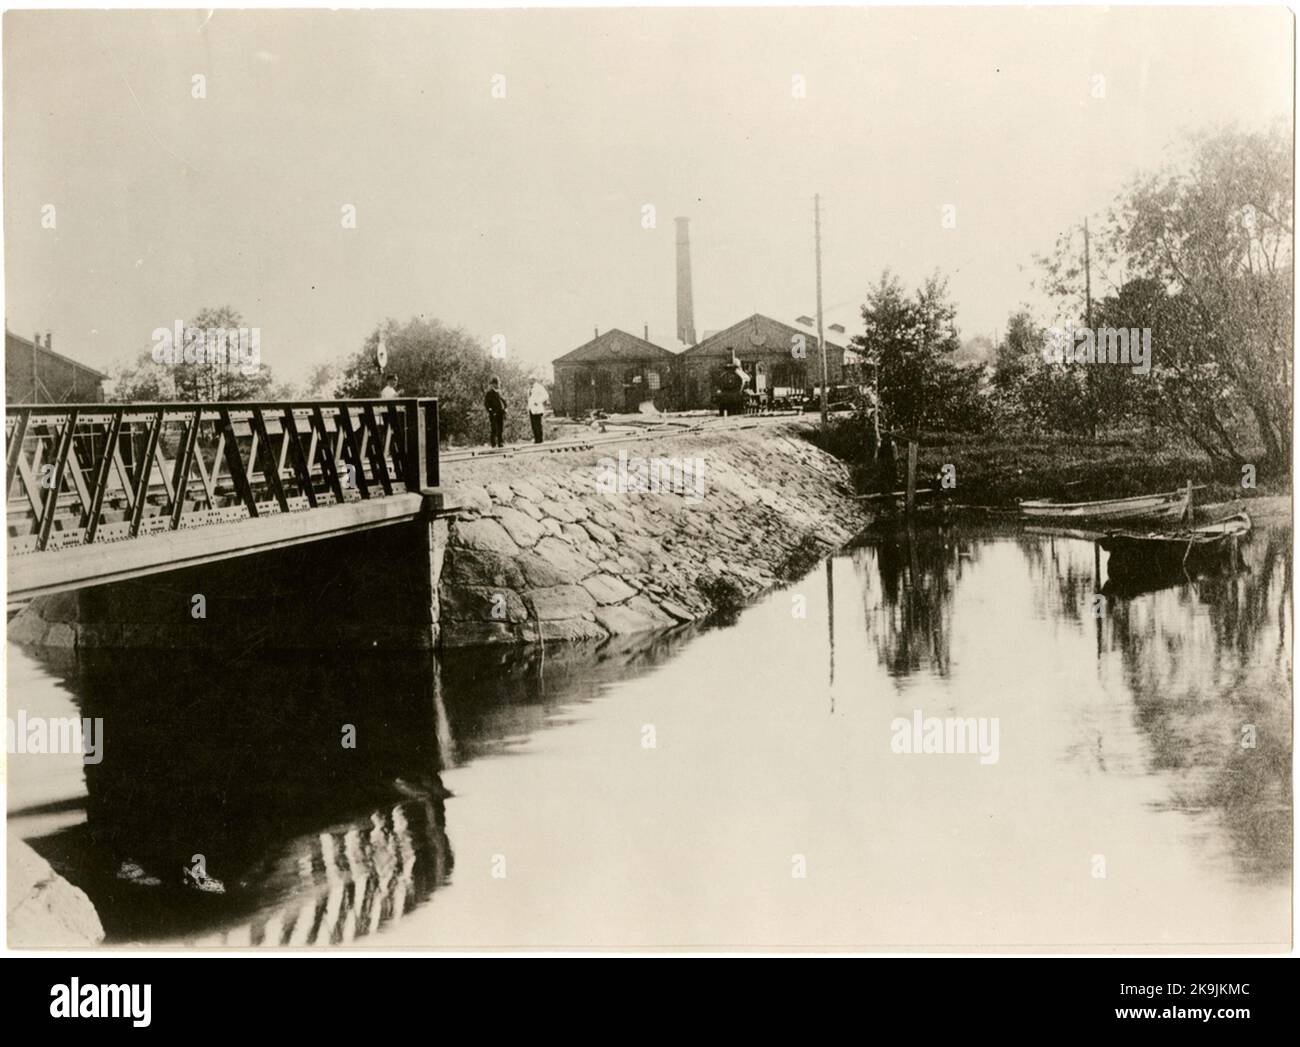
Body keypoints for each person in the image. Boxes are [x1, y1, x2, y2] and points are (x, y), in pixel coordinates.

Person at [484, 378, 507, 448]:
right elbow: (486, 404)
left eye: (499, 383)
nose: (499, 385)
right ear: (494, 384)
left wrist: (506, 408)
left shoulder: (500, 392)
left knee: (500, 428)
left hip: (500, 413)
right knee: (494, 428)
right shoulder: (489, 393)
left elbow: (504, 401)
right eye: (497, 383)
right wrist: (491, 411)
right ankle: (493, 443)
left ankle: (500, 442)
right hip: (494, 413)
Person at [527, 378, 549, 444]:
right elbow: (529, 399)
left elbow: (546, 396)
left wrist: (538, 401)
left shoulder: (539, 387)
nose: (529, 381)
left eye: (530, 380)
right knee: (533, 425)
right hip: (531, 408)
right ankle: (536, 439)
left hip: (537, 408)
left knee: (538, 424)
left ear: (534, 380)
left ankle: (540, 439)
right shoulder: (529, 388)